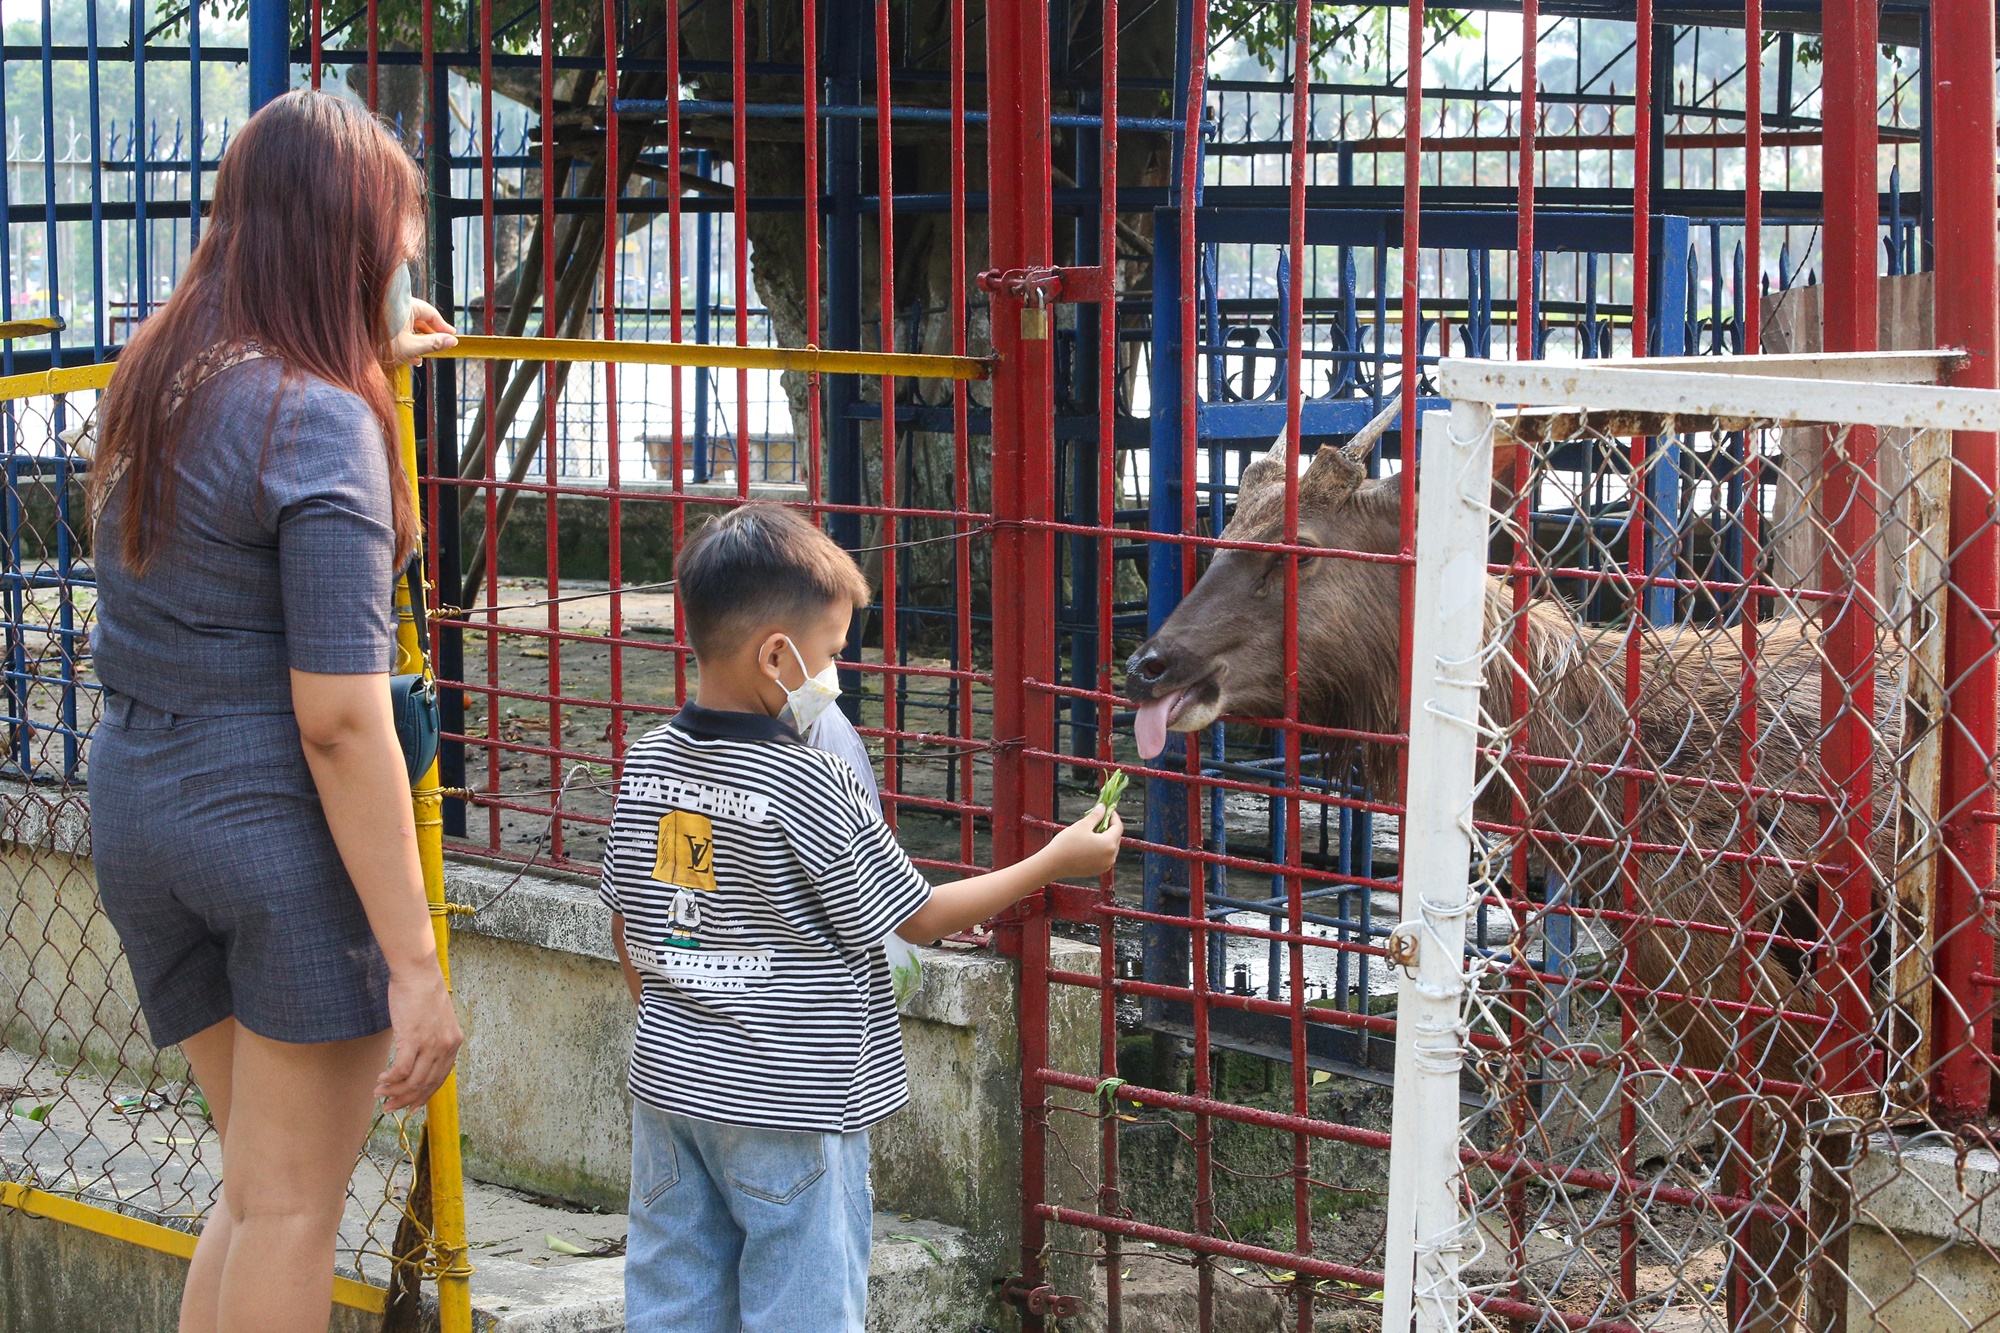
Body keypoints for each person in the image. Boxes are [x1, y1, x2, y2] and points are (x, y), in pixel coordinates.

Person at [86, 90, 462, 1333]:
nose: (408, 260)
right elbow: (341, 718)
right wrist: (415, 969)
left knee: (257, 1191)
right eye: (398, 243)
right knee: (294, 1209)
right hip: (272, 836)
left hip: (142, 804)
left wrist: (371, 365)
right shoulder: (317, 418)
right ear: (348, 245)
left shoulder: (165, 373)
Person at [603, 504, 1124, 1333]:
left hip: (673, 1090)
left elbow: (636, 922)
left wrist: (690, 1021)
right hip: (793, 1102)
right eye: (834, 654)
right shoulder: (809, 780)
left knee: (672, 1305)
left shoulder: (651, 760)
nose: (835, 678)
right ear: (777, 653)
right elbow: (915, 916)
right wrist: (1053, 862)